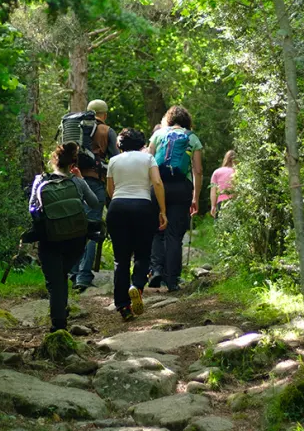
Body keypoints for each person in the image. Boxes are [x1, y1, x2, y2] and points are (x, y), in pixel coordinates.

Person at [24, 142, 102, 332]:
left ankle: (58, 326)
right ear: (73, 164)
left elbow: (32, 209)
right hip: (76, 239)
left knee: (56, 282)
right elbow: (94, 203)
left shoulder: (40, 181)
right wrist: (80, 179)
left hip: (50, 239)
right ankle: (60, 315)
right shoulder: (77, 181)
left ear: (54, 161)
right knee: (61, 277)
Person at [106, 128, 167, 321]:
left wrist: (120, 201)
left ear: (120, 144)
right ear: (141, 142)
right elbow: (157, 183)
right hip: (142, 207)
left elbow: (110, 189)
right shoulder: (148, 159)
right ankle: (137, 286)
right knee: (143, 253)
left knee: (120, 259)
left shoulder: (113, 161)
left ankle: (123, 306)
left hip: (117, 207)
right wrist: (162, 211)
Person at [148, 106, 203, 292]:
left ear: (168, 119)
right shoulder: (192, 137)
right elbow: (198, 170)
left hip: (158, 185)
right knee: (174, 235)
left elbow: (148, 160)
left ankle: (155, 270)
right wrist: (195, 197)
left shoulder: (158, 134)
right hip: (182, 188)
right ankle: (172, 280)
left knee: (157, 230)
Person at [69, 151, 106, 291]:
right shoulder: (105, 131)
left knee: (75, 229)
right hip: (96, 182)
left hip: (73, 182)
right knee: (91, 231)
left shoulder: (73, 134)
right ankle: (83, 276)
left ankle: (73, 273)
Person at [211, 150, 237, 218]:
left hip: (221, 202)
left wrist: (213, 206)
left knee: (220, 226)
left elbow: (213, 192)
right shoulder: (237, 172)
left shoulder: (216, 172)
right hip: (235, 202)